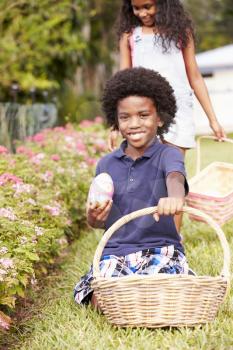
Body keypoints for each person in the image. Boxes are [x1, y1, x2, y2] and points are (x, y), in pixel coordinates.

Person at [74, 67, 194, 309]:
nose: (134, 123)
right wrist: (93, 218)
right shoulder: (106, 164)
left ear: (159, 118)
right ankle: (125, 298)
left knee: (165, 290)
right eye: (125, 117)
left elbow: (175, 177)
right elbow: (99, 221)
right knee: (103, 300)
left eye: (143, 115)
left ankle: (146, 296)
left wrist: (175, 198)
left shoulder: (167, 154)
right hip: (115, 251)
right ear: (115, 121)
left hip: (160, 248)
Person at [108, 0, 226, 154]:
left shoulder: (181, 32)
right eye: (136, 8)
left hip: (178, 108)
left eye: (147, 7)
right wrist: (115, 124)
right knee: (147, 169)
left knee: (173, 168)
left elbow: (195, 77)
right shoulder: (129, 36)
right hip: (143, 111)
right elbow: (122, 81)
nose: (142, 13)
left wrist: (213, 120)